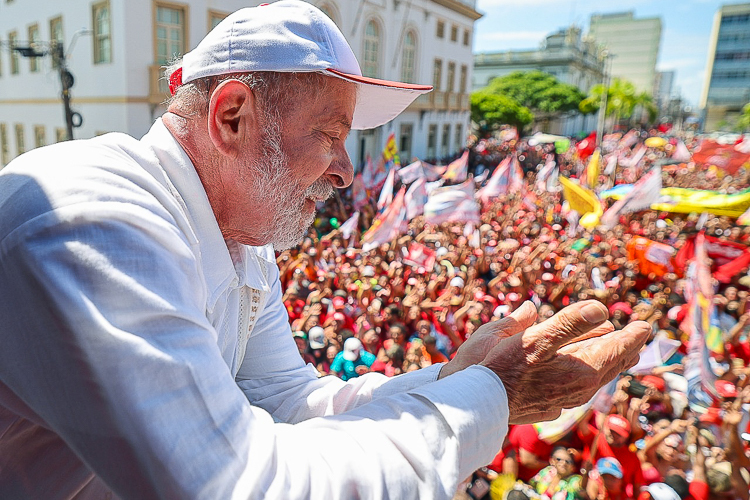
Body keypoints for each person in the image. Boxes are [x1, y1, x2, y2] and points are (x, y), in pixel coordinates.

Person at [0, 2, 649, 498]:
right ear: (232, 118)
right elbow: (246, 485)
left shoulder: (244, 241)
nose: (346, 169)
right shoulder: (94, 226)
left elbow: (288, 398)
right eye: (331, 134)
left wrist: (455, 381)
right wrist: (488, 400)